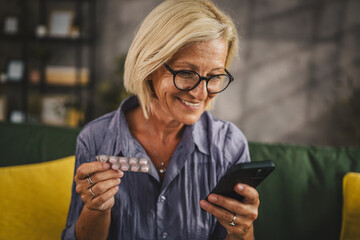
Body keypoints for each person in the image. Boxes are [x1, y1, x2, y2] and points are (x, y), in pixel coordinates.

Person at [62, 0, 259, 239]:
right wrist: (96, 209)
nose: (200, 93)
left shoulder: (229, 145)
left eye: (215, 76)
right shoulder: (96, 138)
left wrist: (242, 230)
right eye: (186, 73)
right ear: (150, 66)